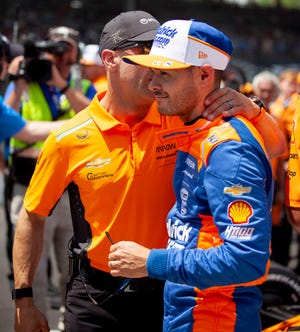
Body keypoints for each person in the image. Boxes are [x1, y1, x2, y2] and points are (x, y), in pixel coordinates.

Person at [12, 11, 285, 332]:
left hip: (171, 291)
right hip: (98, 297)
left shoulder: (181, 112)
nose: (153, 66)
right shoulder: (69, 137)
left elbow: (274, 148)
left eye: (162, 60)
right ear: (109, 59)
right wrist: (24, 300)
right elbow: (32, 216)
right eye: (144, 51)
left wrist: (253, 109)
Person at [108, 19, 274, 332]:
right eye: (153, 72)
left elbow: (247, 261)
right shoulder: (195, 129)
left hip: (214, 319)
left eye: (165, 75)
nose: (153, 84)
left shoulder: (228, 150)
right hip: (189, 314)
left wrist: (152, 263)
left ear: (204, 74)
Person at [5, 26, 96, 330]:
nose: (59, 55)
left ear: (76, 52)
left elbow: (99, 119)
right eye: (54, 48)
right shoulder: (27, 82)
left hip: (71, 192)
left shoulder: (81, 84)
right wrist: (17, 84)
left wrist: (63, 86)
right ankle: (35, 320)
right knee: (34, 268)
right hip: (28, 182)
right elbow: (9, 121)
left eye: (65, 48)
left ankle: (67, 319)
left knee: (71, 261)